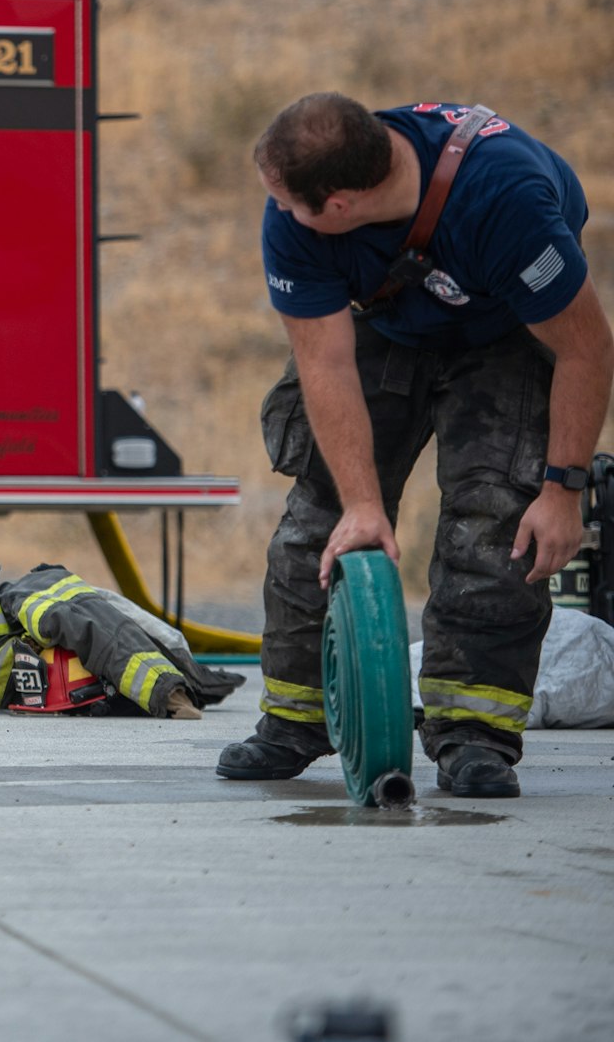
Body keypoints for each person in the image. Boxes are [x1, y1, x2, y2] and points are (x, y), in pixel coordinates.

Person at [219, 94, 612, 799]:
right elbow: (325, 364)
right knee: (321, 522)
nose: (275, 212)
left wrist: (561, 489)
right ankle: (296, 718)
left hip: (504, 332)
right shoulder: (297, 219)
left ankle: (473, 733)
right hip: (388, 327)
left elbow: (586, 349)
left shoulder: (504, 199)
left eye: (289, 203)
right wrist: (363, 505)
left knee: (495, 526)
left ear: (340, 204)